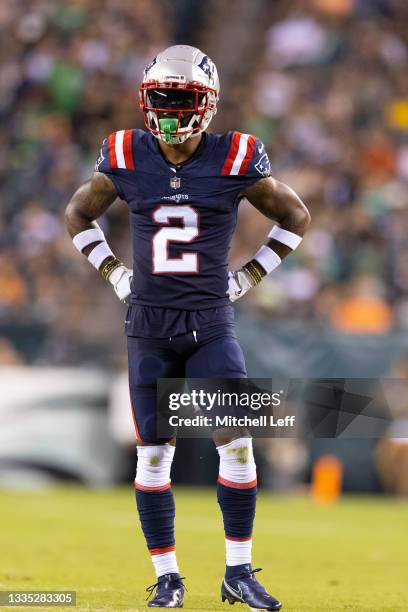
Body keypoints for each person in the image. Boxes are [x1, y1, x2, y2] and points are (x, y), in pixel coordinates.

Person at [65, 45, 310, 610]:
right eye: (162, 98)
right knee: (153, 455)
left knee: (239, 445)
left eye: (182, 98)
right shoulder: (126, 153)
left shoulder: (236, 157)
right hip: (148, 323)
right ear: (146, 100)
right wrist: (112, 272)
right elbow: (78, 212)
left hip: (209, 321)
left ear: (208, 103)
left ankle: (239, 572)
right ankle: (169, 577)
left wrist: (249, 275)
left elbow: (296, 217)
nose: (171, 110)